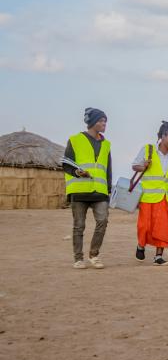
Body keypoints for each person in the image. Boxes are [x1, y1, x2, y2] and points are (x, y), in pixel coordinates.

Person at [132, 121, 168, 266]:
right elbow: (134, 166)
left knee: (164, 227)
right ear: (163, 136)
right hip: (149, 196)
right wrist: (143, 165)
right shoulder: (148, 149)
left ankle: (158, 256)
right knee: (145, 225)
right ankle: (141, 245)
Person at [62, 108, 111, 269]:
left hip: (100, 191)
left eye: (105, 121)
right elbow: (66, 164)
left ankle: (94, 255)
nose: (104, 124)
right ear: (92, 122)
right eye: (101, 121)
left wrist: (108, 189)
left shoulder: (106, 144)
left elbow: (107, 169)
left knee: (102, 221)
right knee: (79, 226)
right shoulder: (75, 140)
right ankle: (78, 258)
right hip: (79, 190)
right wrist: (77, 172)